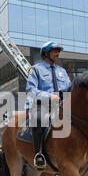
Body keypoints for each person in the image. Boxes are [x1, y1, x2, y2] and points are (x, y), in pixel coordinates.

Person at [26, 41, 71, 169]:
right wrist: (49, 96)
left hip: (62, 104)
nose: (57, 53)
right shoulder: (35, 69)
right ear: (46, 53)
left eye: (58, 51)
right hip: (43, 105)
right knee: (38, 119)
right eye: (54, 51)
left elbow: (69, 87)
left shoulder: (62, 71)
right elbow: (31, 90)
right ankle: (38, 154)